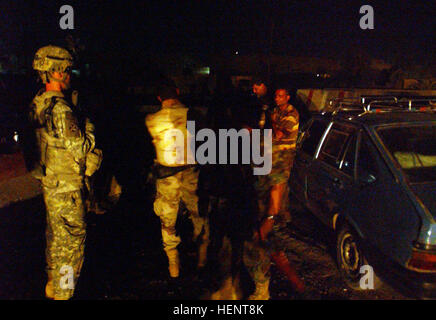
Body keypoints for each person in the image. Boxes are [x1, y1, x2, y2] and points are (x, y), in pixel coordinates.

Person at [30, 45, 97, 300]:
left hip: (51, 184)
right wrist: (88, 127)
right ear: (55, 73)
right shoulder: (62, 109)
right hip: (67, 188)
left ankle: (53, 287)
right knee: (71, 246)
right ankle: (64, 293)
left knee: (56, 241)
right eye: (67, 70)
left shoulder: (38, 103)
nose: (70, 75)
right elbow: (80, 148)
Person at [243, 87, 305, 300]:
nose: (278, 98)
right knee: (269, 236)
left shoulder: (290, 114)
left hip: (281, 164)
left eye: (281, 95)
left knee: (268, 230)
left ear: (287, 97)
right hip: (269, 170)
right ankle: (291, 277)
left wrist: (259, 132)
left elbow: (278, 134)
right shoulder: (272, 115)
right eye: (276, 95)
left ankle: (269, 285)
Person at [145, 83, 209, 278]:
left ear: (158, 98)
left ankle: (173, 263)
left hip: (166, 177)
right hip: (191, 173)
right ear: (178, 92)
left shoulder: (152, 120)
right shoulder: (195, 115)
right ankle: (202, 258)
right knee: (199, 215)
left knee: (167, 221)